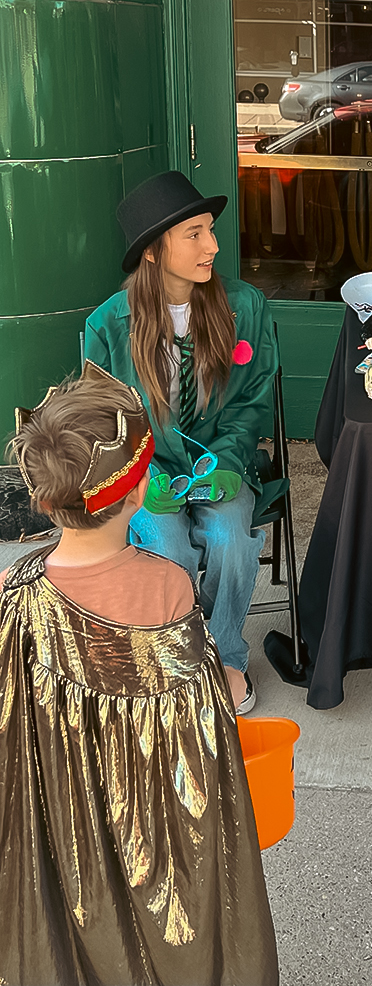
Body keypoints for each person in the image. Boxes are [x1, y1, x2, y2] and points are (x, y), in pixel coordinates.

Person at [0, 362, 278, 986]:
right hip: (154, 820)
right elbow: (201, 721)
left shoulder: (12, 593)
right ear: (136, 495)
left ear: (42, 501)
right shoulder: (169, 590)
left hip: (61, 827)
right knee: (167, 932)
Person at [85, 170, 278, 714]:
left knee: (231, 541)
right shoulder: (107, 325)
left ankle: (225, 658)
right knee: (166, 546)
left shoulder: (245, 306)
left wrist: (232, 462)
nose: (212, 246)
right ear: (153, 250)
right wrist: (141, 482)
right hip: (151, 475)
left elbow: (251, 400)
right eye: (193, 233)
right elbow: (108, 424)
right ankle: (181, 657)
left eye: (209, 230)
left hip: (224, 462)